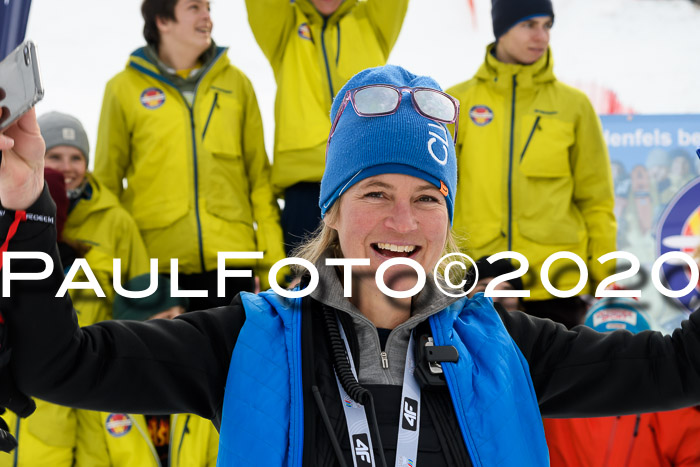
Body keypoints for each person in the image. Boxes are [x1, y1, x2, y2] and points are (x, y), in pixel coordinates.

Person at [2, 66, 700, 467]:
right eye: (375, 193)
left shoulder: (505, 349)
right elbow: (58, 365)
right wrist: (29, 206)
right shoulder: (249, 340)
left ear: (447, 219)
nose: (403, 223)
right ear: (333, 208)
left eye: (426, 198)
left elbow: (679, 367)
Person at [94, 0, 286, 309]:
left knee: (234, 357)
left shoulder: (237, 85)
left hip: (232, 263)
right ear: (162, 21)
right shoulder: (122, 89)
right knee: (168, 359)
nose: (207, 17)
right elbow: (106, 190)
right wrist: (114, 270)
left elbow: (259, 183)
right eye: (194, 8)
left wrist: (274, 264)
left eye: (208, 8)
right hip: (156, 266)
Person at [447, 0, 616, 329]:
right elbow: (436, 196)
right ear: (501, 29)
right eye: (528, 24)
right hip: (477, 281)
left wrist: (604, 275)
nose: (541, 36)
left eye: (547, 25)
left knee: (557, 380)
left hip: (557, 284)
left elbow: (595, 200)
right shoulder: (456, 102)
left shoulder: (574, 106)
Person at [245, 0, 409, 253]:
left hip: (367, 176)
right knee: (306, 285)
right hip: (306, 186)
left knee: (368, 282)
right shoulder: (285, 28)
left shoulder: (372, 21)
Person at [75, 275, 219, 467]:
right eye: (167, 318)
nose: (181, 326)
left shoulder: (206, 383)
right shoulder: (100, 396)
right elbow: (93, 461)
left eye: (183, 315)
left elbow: (220, 458)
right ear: (135, 330)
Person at [544, 298, 700, 467]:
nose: (615, 368)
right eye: (599, 351)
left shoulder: (676, 412)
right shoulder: (551, 400)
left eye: (628, 352)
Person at [39, 111, 150, 326]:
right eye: (54, 157)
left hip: (95, 350)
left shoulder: (115, 219)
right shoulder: (12, 213)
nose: (67, 167)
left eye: (76, 158)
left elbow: (143, 293)